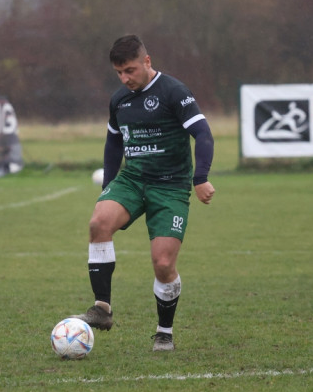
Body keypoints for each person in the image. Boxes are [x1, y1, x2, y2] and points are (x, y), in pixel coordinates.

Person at [78, 35, 216, 352]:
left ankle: (164, 331)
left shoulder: (174, 92)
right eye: (119, 73)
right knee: (99, 223)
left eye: (130, 70)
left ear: (147, 62)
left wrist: (201, 177)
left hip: (170, 185)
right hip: (133, 178)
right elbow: (113, 144)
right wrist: (107, 189)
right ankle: (102, 309)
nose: (125, 78)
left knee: (163, 263)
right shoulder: (119, 100)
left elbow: (202, 133)